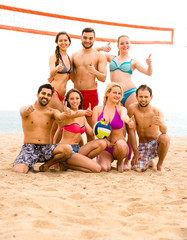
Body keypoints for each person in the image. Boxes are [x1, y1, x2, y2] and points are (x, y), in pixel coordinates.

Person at [12, 84, 92, 174]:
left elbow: (60, 116)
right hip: (29, 148)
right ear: (37, 94)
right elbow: (23, 112)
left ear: (50, 98)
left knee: (68, 149)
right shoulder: (28, 109)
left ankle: (46, 165)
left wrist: (67, 114)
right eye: (43, 93)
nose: (45, 96)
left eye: (48, 95)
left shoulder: (52, 112)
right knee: (19, 171)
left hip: (46, 148)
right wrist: (26, 110)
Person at [40, 88, 107, 173]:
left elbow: (91, 132)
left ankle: (68, 165)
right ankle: (67, 164)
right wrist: (84, 112)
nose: (74, 101)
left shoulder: (82, 116)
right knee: (97, 168)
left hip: (77, 149)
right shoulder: (67, 114)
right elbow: (73, 114)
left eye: (77, 98)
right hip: (67, 151)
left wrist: (101, 124)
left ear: (80, 100)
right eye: (72, 99)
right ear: (67, 100)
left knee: (102, 143)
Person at [71, 27, 107, 141]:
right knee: (73, 127)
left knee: (91, 130)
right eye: (85, 38)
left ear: (94, 39)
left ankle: (90, 157)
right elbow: (69, 75)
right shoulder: (74, 55)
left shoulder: (99, 56)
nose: (87, 40)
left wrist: (94, 72)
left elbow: (103, 78)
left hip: (91, 94)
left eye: (90, 38)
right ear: (81, 38)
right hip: (76, 94)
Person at [97, 35, 152, 109]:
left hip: (130, 92)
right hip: (115, 93)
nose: (125, 45)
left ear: (130, 45)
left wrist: (149, 65)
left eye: (127, 43)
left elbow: (148, 73)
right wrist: (101, 48)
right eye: (122, 43)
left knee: (132, 118)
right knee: (116, 118)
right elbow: (93, 53)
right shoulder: (111, 58)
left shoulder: (133, 62)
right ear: (118, 46)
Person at [92, 82, 134, 172]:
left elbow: (123, 116)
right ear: (107, 93)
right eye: (115, 92)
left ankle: (119, 163)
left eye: (119, 93)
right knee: (103, 168)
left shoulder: (121, 109)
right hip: (105, 148)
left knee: (121, 145)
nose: (117, 95)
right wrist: (100, 123)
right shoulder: (97, 109)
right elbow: (94, 130)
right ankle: (105, 161)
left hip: (120, 148)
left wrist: (128, 121)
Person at [128, 84, 170, 172]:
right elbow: (131, 132)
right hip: (143, 145)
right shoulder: (132, 109)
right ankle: (149, 161)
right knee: (137, 169)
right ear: (136, 97)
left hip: (156, 144)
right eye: (141, 96)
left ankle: (159, 165)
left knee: (165, 137)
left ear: (151, 97)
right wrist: (136, 153)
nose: (143, 99)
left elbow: (164, 130)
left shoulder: (156, 111)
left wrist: (161, 124)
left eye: (146, 97)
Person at [48, 31, 73, 143]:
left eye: (65, 40)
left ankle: (51, 149)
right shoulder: (53, 57)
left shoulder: (69, 58)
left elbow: (71, 77)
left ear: (69, 42)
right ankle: (54, 150)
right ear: (57, 43)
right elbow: (51, 71)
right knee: (62, 122)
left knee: (54, 126)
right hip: (54, 93)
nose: (63, 42)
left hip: (63, 95)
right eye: (60, 40)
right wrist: (55, 69)